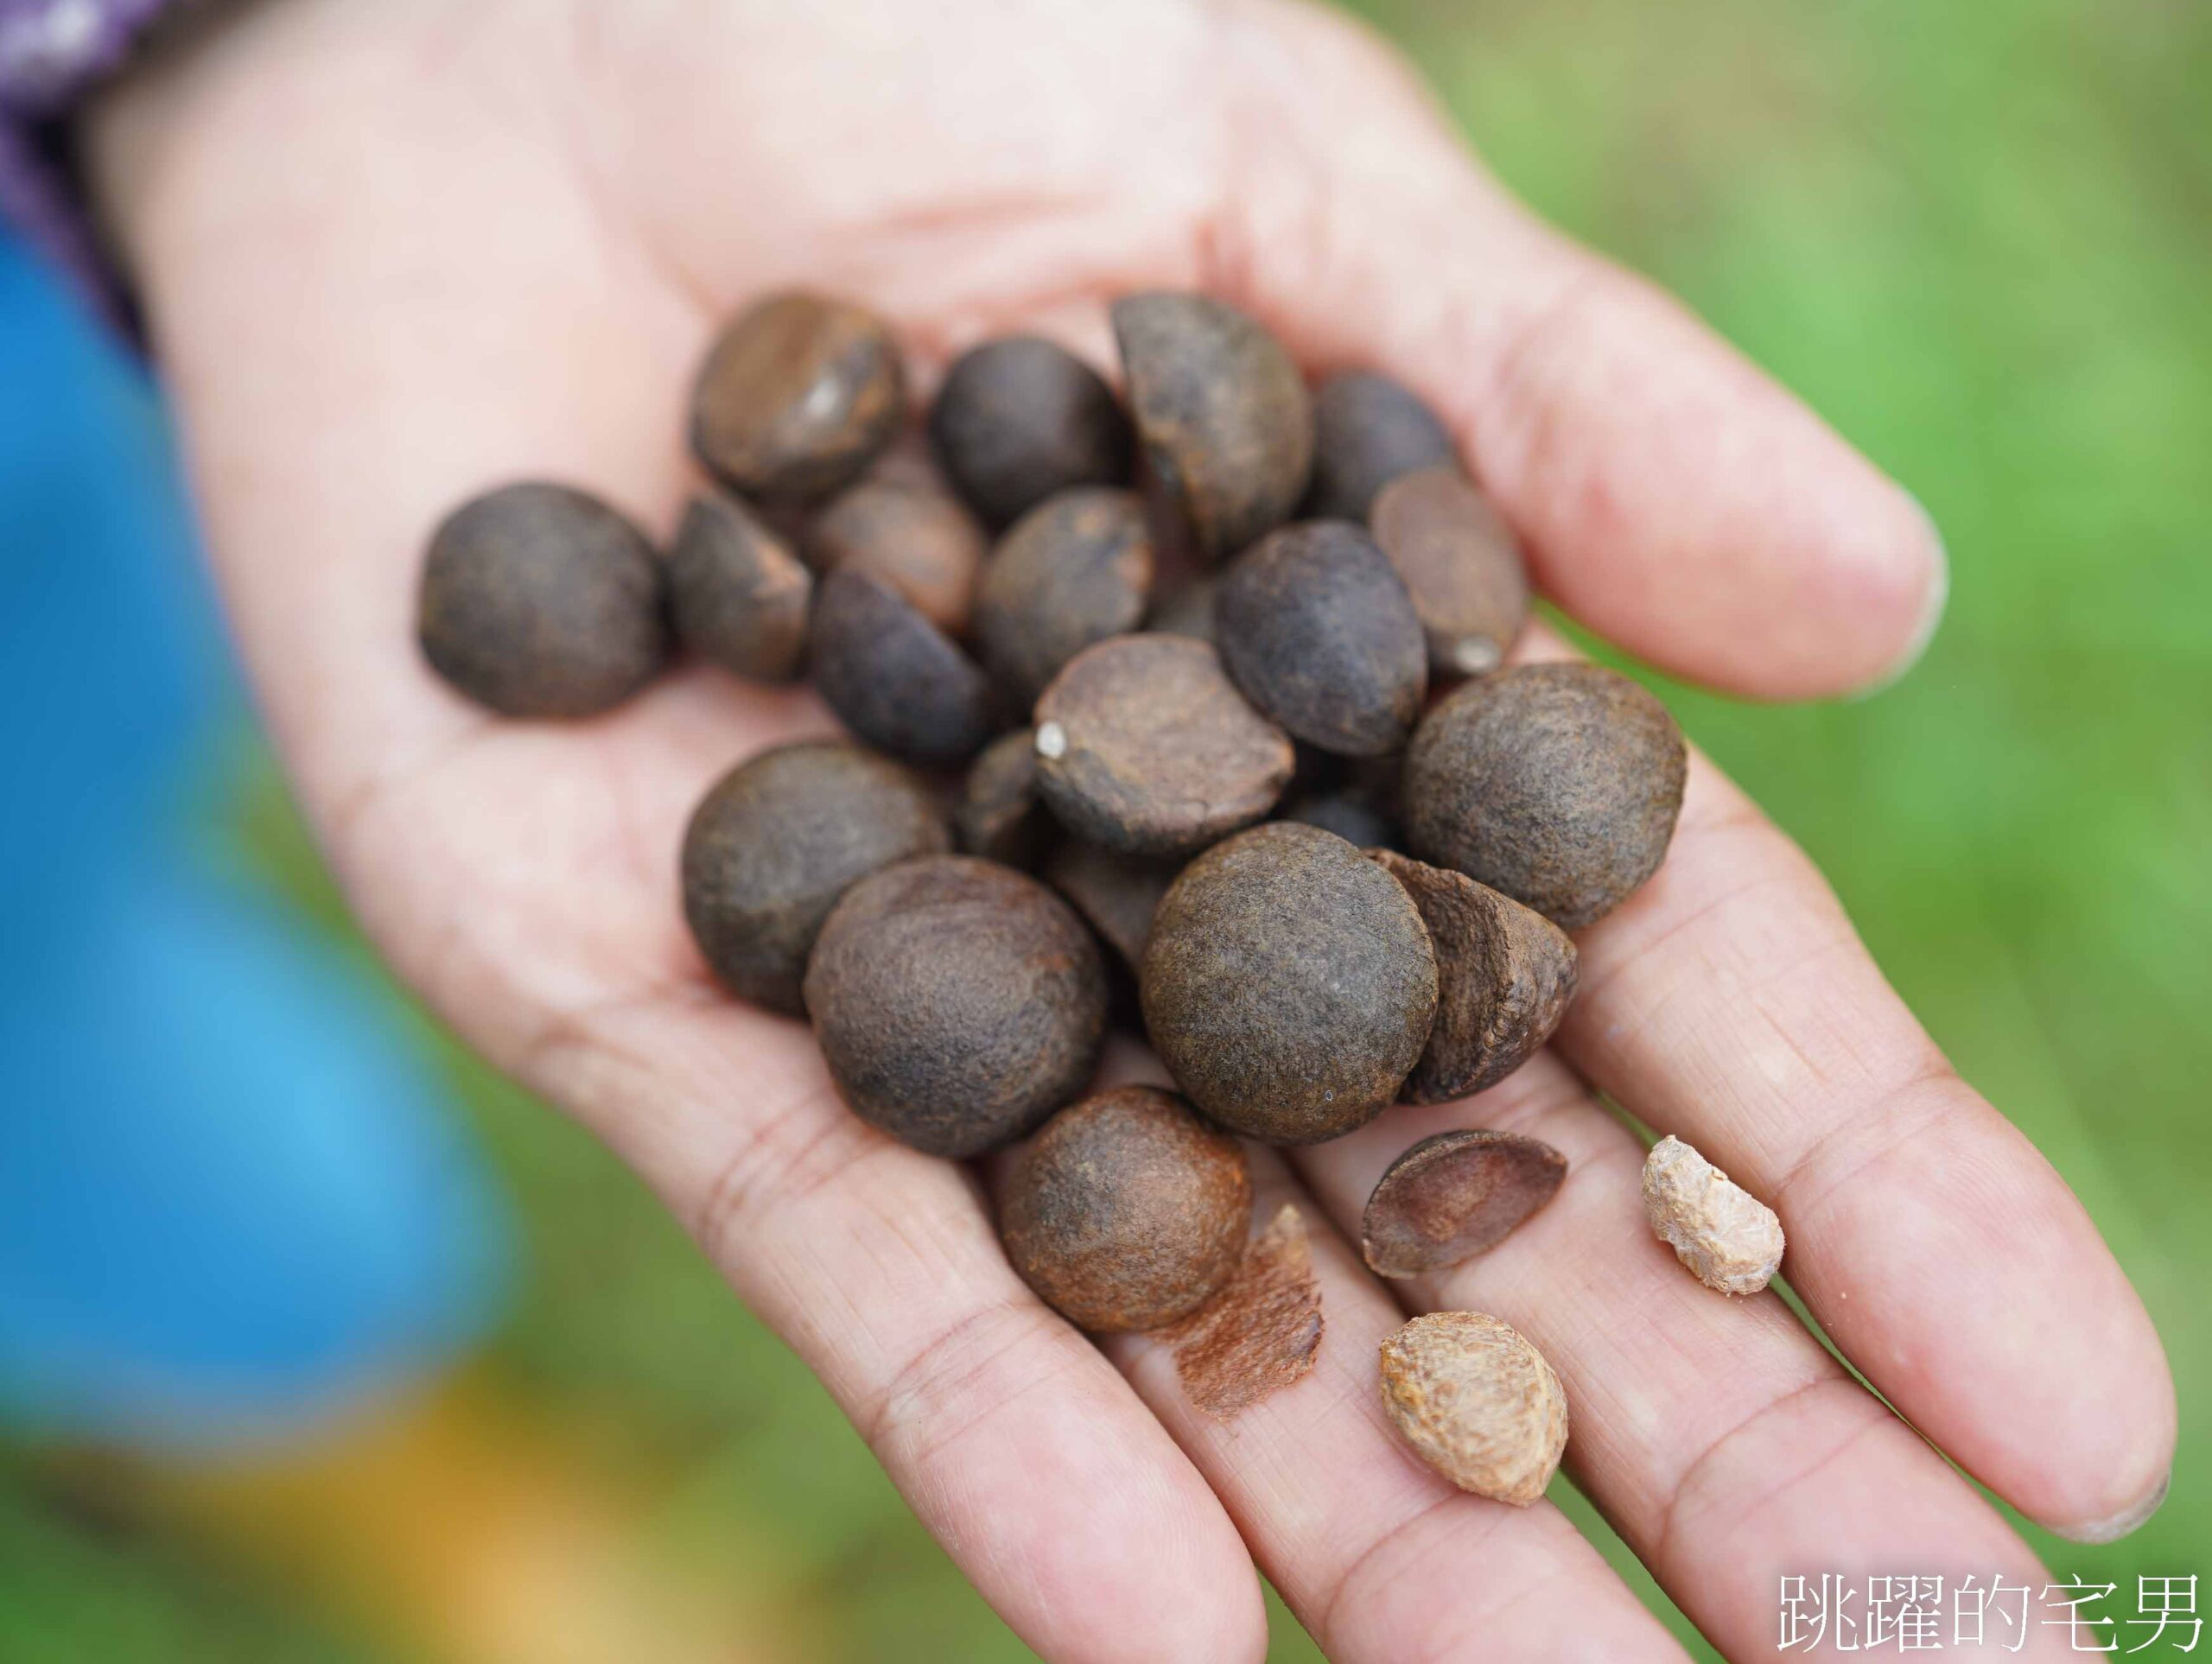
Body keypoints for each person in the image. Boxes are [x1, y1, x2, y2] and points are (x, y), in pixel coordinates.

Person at [10, 2, 2173, 1658]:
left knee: (99, 846)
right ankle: (267, 1387)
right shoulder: (999, 739)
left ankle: (292, 1368)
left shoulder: (1243, 744)